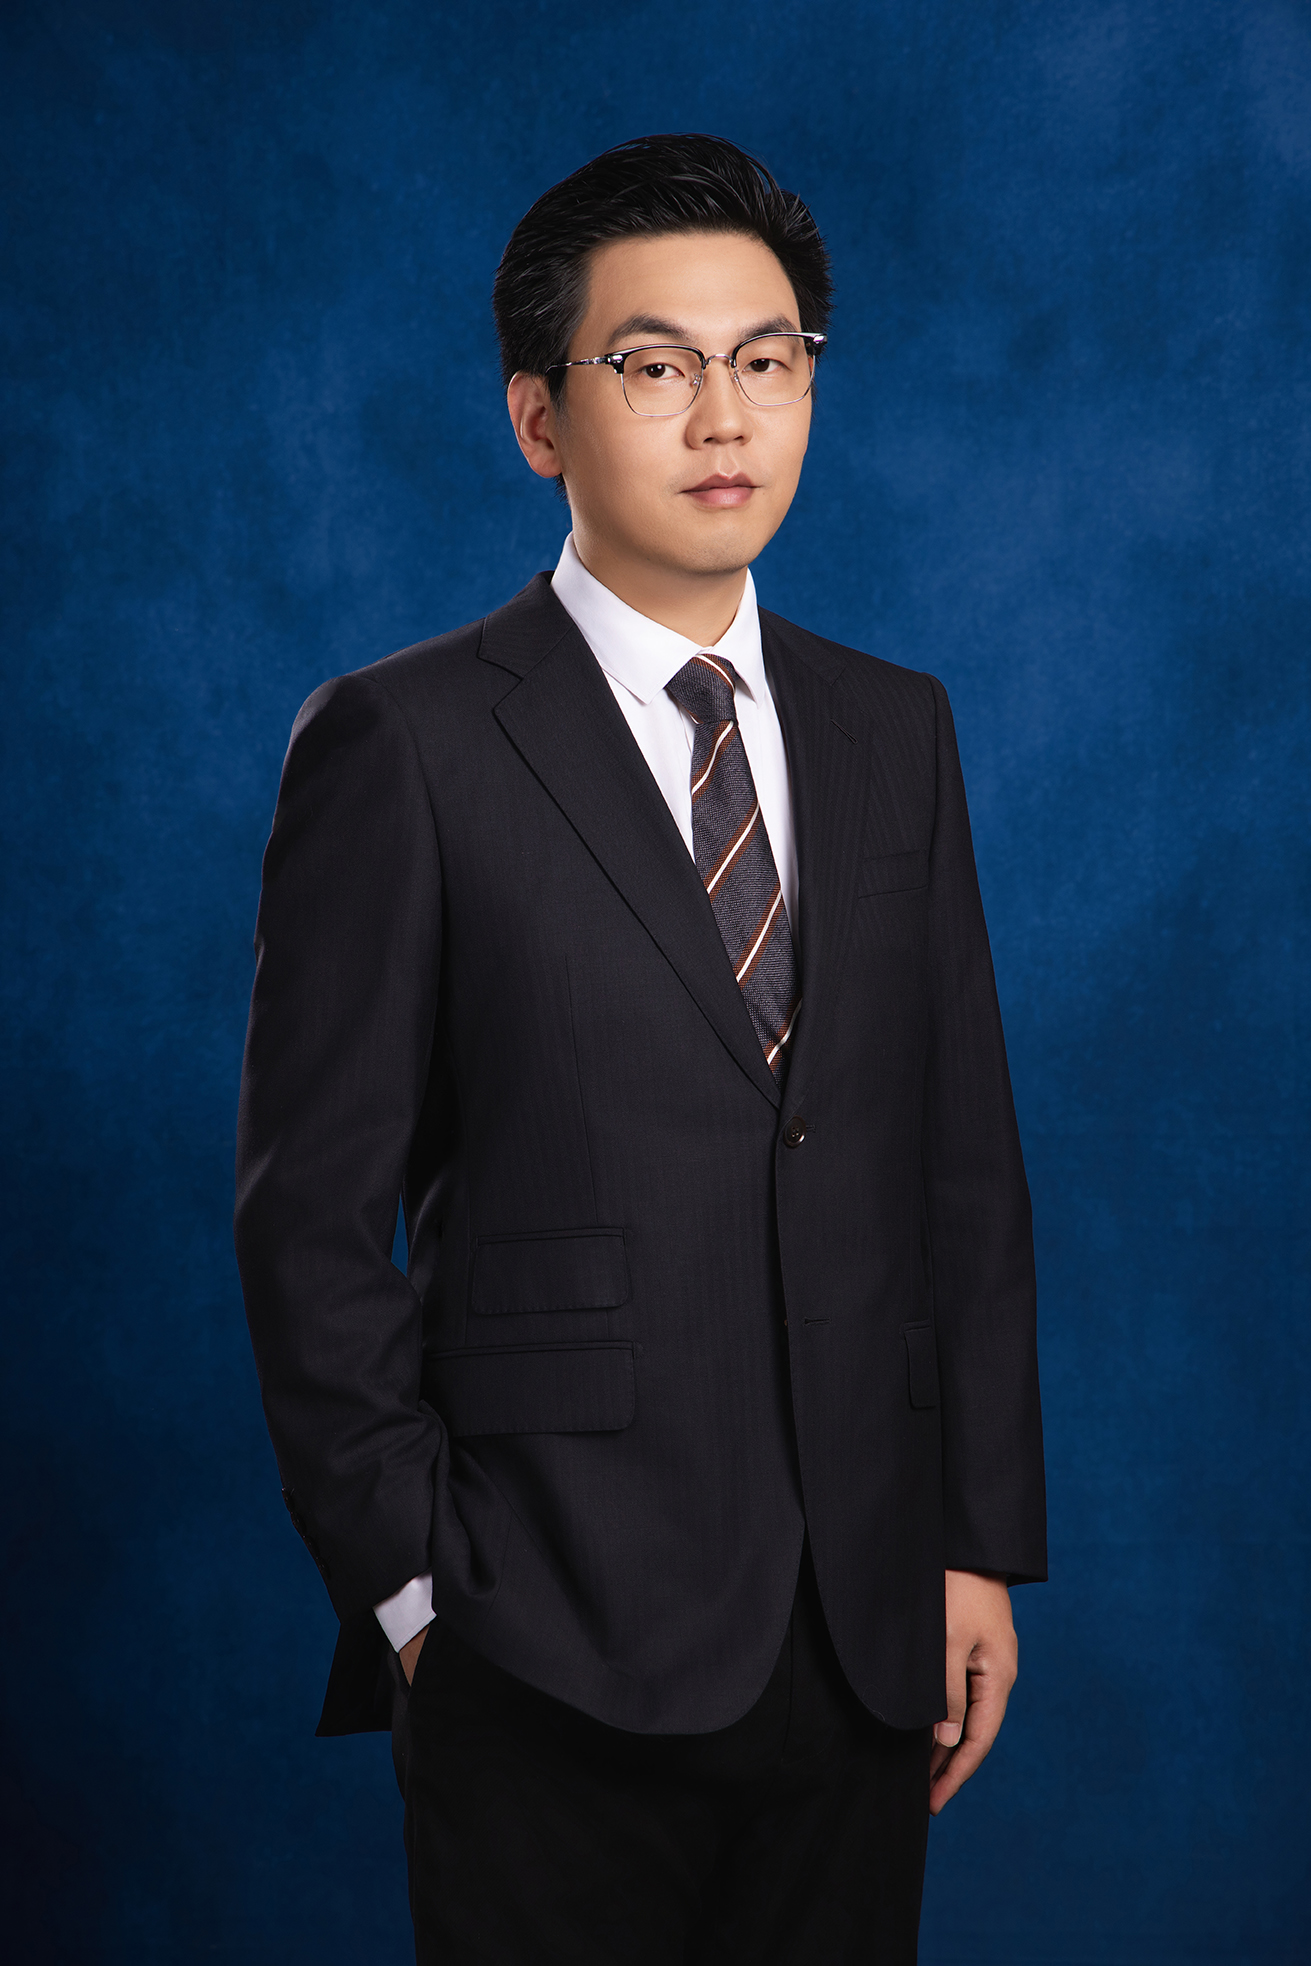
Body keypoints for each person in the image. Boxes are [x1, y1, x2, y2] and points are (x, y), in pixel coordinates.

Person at [235, 132, 1046, 1964]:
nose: (723, 415)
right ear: (540, 417)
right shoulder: (405, 742)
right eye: (655, 365)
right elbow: (307, 1222)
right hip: (543, 1625)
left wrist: (973, 1535)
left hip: (862, 1624)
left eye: (768, 359)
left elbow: (960, 1164)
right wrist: (419, 1594)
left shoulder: (896, 728)